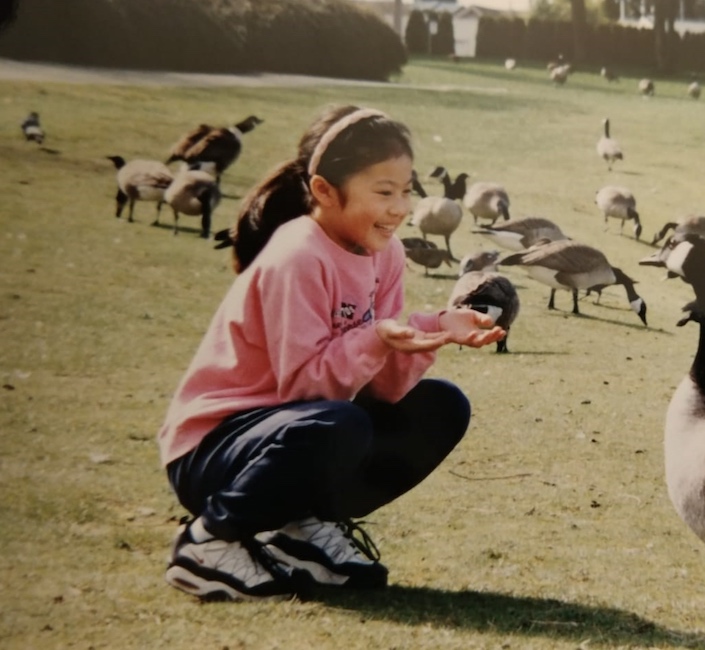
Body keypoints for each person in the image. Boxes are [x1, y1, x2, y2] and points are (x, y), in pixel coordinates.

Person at [157, 105, 505, 601]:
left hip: (295, 431)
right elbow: (304, 391)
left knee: (440, 406)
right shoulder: (298, 254)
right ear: (324, 191)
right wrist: (375, 338)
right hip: (214, 452)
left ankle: (301, 533)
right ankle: (208, 542)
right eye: (383, 192)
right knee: (339, 423)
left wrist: (435, 330)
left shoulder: (387, 254)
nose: (400, 208)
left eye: (406, 190)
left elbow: (380, 391)